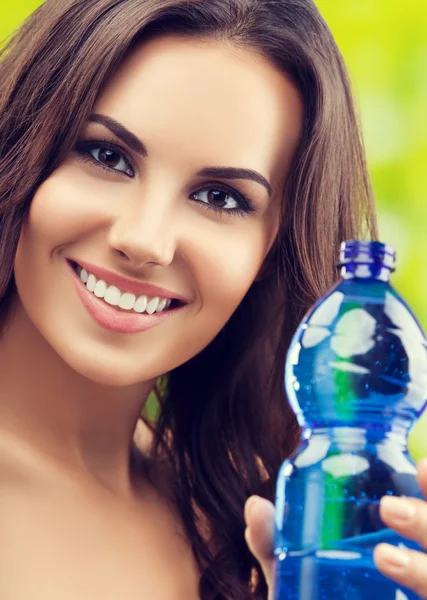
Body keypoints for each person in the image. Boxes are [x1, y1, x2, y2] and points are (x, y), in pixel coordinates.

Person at [1, 0, 426, 598]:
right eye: (106, 155)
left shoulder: (249, 524)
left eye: (221, 198)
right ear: (24, 145)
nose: (143, 241)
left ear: (271, 252)